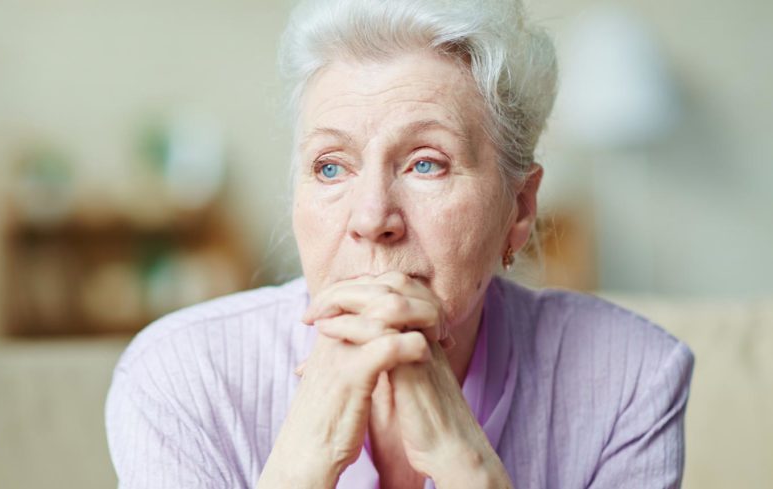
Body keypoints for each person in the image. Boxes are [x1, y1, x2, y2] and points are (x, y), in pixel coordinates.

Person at [105, 0, 695, 487]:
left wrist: (465, 464)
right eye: (331, 167)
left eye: (426, 164)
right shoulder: (178, 377)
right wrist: (305, 458)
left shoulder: (630, 377)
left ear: (519, 209)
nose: (371, 218)